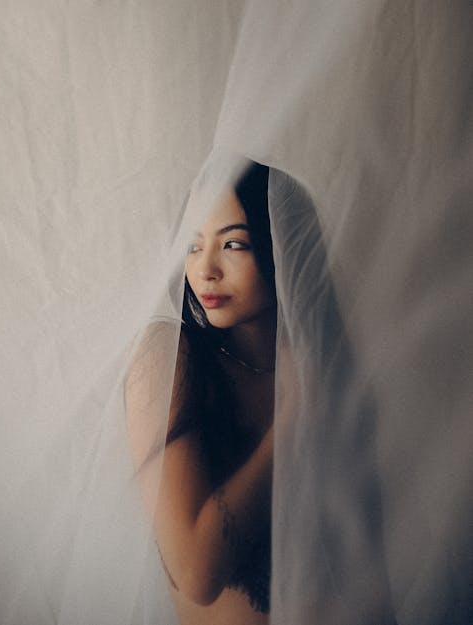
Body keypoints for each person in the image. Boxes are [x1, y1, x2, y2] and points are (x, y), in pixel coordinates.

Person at [126, 162, 275, 625]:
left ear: (279, 245)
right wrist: (292, 423)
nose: (205, 269)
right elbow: (196, 572)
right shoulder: (167, 358)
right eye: (192, 245)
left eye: (233, 243)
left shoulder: (320, 359)